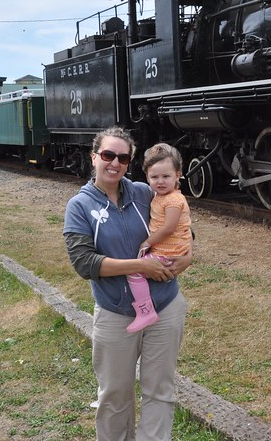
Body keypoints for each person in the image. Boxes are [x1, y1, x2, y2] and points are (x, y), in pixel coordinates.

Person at [63, 126, 192, 441]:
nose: (115, 163)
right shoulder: (79, 207)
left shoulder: (143, 192)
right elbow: (85, 264)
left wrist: (188, 256)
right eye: (108, 155)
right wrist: (140, 265)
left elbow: (179, 229)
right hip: (116, 315)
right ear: (94, 157)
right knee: (115, 395)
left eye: (123, 157)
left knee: (159, 390)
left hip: (165, 308)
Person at [124, 143, 194, 332]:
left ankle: (145, 312)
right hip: (168, 249)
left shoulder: (173, 199)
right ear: (147, 176)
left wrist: (148, 242)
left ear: (177, 175)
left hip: (168, 252)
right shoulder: (161, 196)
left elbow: (169, 228)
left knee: (134, 272)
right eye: (154, 177)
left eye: (166, 176)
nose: (160, 181)